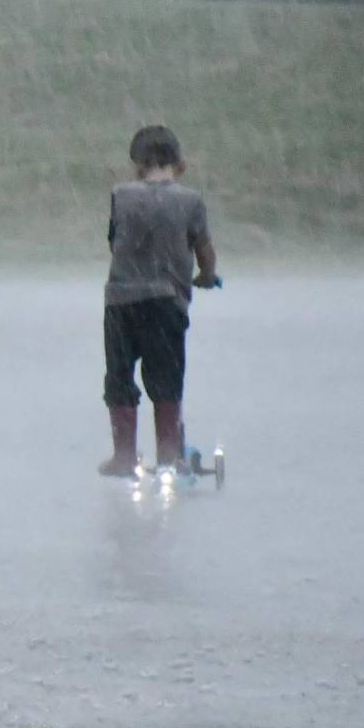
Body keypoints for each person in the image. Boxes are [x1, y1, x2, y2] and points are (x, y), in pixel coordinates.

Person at [98, 124, 220, 476]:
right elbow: (204, 251)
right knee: (166, 377)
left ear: (136, 165)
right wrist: (207, 277)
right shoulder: (190, 201)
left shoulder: (120, 195)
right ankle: (169, 455)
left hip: (121, 301)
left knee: (120, 376)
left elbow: (114, 243)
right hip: (167, 303)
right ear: (180, 164)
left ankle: (123, 456)